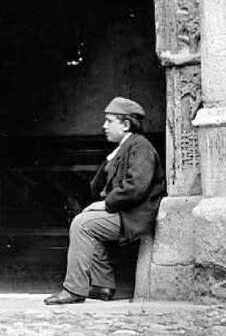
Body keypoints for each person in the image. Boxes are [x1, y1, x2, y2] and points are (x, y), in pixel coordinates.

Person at [44, 96, 165, 304]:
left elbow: (136, 187)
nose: (104, 126)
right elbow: (95, 187)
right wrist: (109, 160)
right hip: (126, 213)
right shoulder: (126, 148)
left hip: (135, 216)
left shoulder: (140, 146)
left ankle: (74, 289)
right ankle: (101, 286)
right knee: (86, 220)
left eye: (110, 121)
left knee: (83, 225)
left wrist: (105, 204)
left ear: (126, 124)